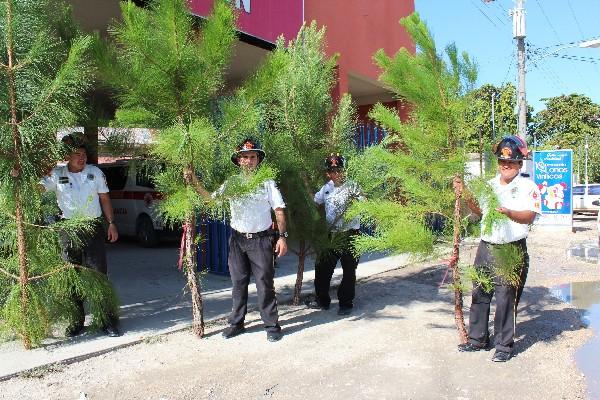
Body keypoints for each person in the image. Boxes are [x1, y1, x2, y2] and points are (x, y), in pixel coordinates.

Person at [190, 138, 288, 342]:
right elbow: (210, 199)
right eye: (245, 157)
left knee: (264, 284)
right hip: (237, 240)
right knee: (238, 282)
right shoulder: (232, 183)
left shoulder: (267, 183)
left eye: (253, 157)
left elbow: (278, 210)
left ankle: (271, 326)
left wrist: (282, 237)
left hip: (261, 241)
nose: (249, 161)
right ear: (239, 160)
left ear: (258, 159)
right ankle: (237, 323)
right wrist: (193, 181)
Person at [457, 135, 541, 362]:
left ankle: (504, 346)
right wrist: (464, 192)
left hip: (511, 249)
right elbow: (479, 211)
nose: (506, 165)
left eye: (511, 162)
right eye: (503, 162)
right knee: (480, 293)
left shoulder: (527, 187)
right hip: (486, 247)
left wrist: (509, 213)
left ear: (519, 164)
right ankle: (477, 340)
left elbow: (530, 216)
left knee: (506, 299)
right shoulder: (490, 185)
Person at [41, 134, 121, 337]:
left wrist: (111, 223)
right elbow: (37, 186)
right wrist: (47, 166)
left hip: (92, 228)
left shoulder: (95, 172)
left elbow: (104, 199)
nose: (81, 158)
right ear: (67, 156)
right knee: (72, 276)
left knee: (98, 274)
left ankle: (106, 320)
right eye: (77, 154)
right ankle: (76, 321)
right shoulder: (57, 174)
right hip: (68, 230)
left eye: (83, 154)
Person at [306, 154, 363, 316]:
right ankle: (322, 300)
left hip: (351, 235)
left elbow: (365, 205)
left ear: (344, 171)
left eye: (339, 170)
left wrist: (357, 200)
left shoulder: (353, 187)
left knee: (349, 271)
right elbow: (315, 203)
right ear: (328, 173)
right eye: (333, 171)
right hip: (331, 235)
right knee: (322, 268)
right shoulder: (326, 188)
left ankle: (346, 303)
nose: (337, 173)